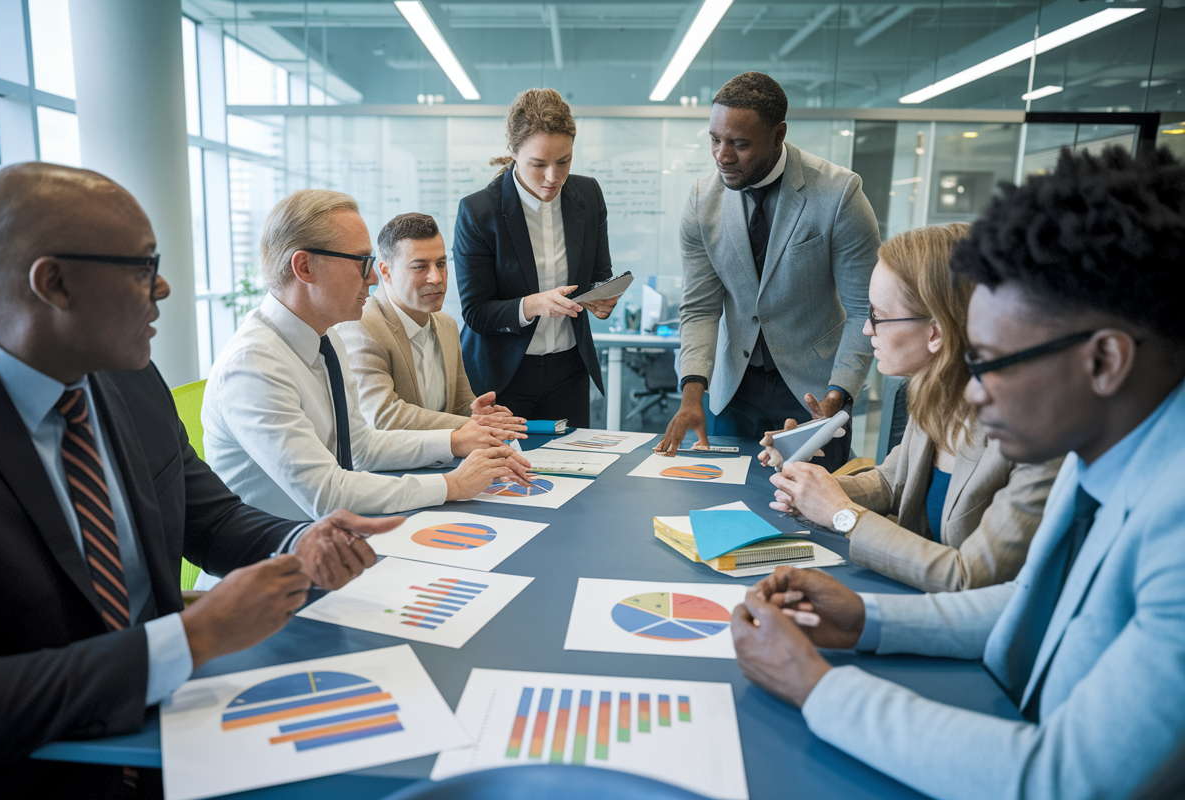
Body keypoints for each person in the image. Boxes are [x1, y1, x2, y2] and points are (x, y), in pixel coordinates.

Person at [0, 163, 395, 798]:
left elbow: (209, 518)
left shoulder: (126, 375)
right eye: (141, 268)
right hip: (35, 774)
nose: (162, 287)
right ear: (53, 282)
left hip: (179, 730)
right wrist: (194, 636)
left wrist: (301, 542)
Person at [730, 147, 1185, 800]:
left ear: (1104, 360)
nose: (972, 393)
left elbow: (1064, 780)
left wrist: (816, 685)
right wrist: (867, 620)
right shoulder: (1105, 456)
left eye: (995, 361)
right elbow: (1032, 604)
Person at [203, 189, 531, 529]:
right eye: (362, 262)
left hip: (328, 544)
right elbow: (327, 493)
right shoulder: (254, 364)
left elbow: (360, 447)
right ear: (304, 267)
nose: (373, 278)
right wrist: (452, 484)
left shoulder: (326, 339)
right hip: (274, 564)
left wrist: (453, 440)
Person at [762, 223, 1060, 592]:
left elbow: (970, 577)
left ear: (935, 332)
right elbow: (892, 481)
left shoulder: (1035, 437)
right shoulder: (933, 392)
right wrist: (814, 492)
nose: (868, 331)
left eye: (877, 316)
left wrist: (841, 514)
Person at [656, 72, 879, 469]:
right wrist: (692, 395)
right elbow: (700, 308)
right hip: (732, 391)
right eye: (715, 139)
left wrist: (838, 393)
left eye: (739, 144)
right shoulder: (701, 200)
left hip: (813, 396)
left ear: (778, 135)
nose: (722, 155)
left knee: (811, 514)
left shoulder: (839, 194)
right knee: (724, 512)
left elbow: (864, 309)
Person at [453, 88, 619, 427]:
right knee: (504, 475)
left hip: (569, 370)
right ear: (514, 152)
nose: (552, 177)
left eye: (564, 161)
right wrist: (534, 305)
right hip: (502, 377)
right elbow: (475, 312)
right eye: (538, 164)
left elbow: (600, 273)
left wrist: (602, 297)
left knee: (576, 472)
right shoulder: (479, 211)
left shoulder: (588, 194)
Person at [338, 212, 526, 435]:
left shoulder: (446, 324)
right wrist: (470, 424)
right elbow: (383, 417)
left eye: (441, 263)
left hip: (444, 460)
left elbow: (459, 406)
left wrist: (478, 414)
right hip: (390, 469)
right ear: (386, 272)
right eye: (420, 267)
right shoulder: (360, 325)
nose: (436, 278)